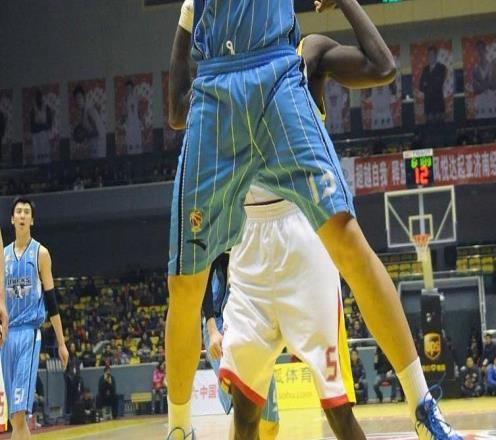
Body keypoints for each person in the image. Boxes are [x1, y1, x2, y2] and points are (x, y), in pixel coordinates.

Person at [166, 1, 461, 439]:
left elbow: (382, 67)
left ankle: (422, 407)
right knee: (245, 409)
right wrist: (187, 17)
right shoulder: (211, 62)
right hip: (249, 239)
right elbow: (176, 112)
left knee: (338, 410)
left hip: (303, 229)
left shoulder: (307, 54)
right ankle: (178, 429)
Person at [2, 196, 69, 440]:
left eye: (26, 212)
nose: (22, 215)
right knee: (14, 418)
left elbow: (51, 300)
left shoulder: (41, 253)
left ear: (32, 220)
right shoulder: (3, 255)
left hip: (28, 334)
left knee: (19, 414)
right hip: (6, 336)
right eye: (18, 211)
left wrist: (61, 343)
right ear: (12, 219)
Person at [202, 253, 280, 439]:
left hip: (256, 324)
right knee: (243, 408)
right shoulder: (223, 239)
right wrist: (212, 331)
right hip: (221, 324)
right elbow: (203, 283)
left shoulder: (265, 244)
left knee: (270, 425)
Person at [72, 85, 106, 159]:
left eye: (79, 97)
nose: (78, 101)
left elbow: (97, 131)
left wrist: (84, 135)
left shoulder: (89, 110)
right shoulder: (83, 112)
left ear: (84, 97)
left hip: (98, 143)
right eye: (76, 99)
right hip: (93, 142)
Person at [419, 46, 447, 123]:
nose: (430, 57)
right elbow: (421, 86)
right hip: (428, 104)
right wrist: (429, 84)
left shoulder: (441, 68)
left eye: (432, 54)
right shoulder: (425, 69)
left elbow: (438, 84)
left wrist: (427, 84)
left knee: (440, 125)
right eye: (428, 55)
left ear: (436, 55)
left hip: (438, 103)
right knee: (429, 125)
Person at [472, 40, 496, 119]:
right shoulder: (474, 69)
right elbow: (476, 90)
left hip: (492, 104)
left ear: (485, 50)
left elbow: (494, 86)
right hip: (480, 105)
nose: (480, 52)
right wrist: (488, 81)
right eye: (478, 50)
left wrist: (480, 81)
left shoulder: (492, 66)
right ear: (476, 53)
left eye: (482, 49)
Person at [29, 88, 53, 165]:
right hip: (36, 135)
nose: (38, 99)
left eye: (40, 97)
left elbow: (49, 122)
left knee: (45, 155)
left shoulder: (46, 108)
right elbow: (32, 124)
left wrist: (47, 128)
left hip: (44, 134)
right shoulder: (33, 109)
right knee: (37, 155)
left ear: (42, 97)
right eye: (37, 97)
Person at [122, 79, 143, 155]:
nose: (129, 90)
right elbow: (124, 112)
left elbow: (139, 110)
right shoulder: (124, 99)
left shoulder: (136, 97)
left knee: (137, 140)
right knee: (130, 141)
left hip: (136, 122)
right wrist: (123, 120)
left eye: (130, 88)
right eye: (127, 89)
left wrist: (141, 120)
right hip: (129, 123)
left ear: (132, 88)